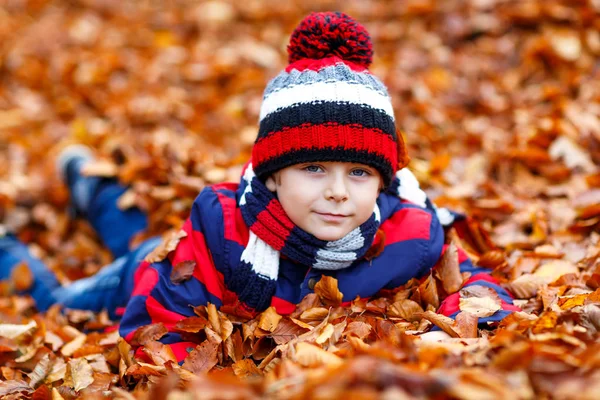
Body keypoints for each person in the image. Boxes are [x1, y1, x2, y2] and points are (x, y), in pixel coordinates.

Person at [0, 12, 518, 361]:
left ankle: (95, 189)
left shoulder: (408, 231)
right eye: (313, 169)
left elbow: (472, 286)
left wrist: (481, 324)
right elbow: (156, 330)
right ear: (272, 174)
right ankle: (15, 242)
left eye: (359, 173)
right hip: (146, 277)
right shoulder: (221, 228)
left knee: (139, 233)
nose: (338, 191)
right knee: (61, 298)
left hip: (176, 259)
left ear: (384, 180)